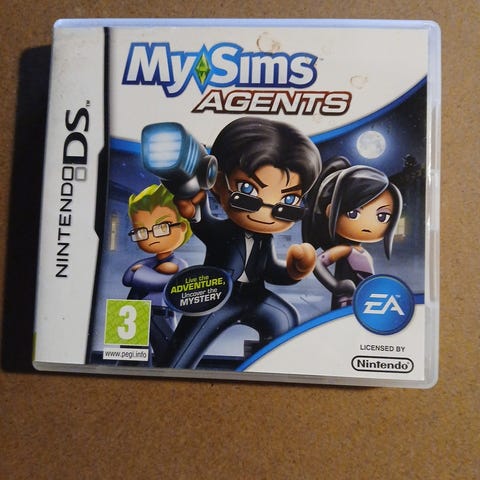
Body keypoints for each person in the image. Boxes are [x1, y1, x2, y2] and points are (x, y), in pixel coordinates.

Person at [168, 117, 322, 369]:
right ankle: (170, 369)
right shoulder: (224, 232)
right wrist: (194, 210)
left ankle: (266, 369)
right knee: (181, 353)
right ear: (218, 183)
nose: (267, 212)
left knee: (284, 318)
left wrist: (294, 271)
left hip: (255, 297)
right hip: (216, 294)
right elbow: (206, 225)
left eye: (288, 202)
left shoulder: (264, 239)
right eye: (248, 191)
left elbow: (270, 270)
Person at [302, 156, 402, 310]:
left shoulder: (358, 250)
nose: (368, 224)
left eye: (382, 216)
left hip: (363, 301)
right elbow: (317, 263)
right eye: (353, 213)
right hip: (347, 301)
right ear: (330, 211)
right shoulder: (345, 249)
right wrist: (336, 286)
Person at [123, 184, 192, 365]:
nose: (151, 237)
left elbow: (160, 282)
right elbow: (127, 278)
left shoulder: (179, 264)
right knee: (129, 358)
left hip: (159, 314)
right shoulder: (149, 262)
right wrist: (142, 273)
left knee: (169, 357)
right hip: (130, 313)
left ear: (182, 227)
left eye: (162, 227)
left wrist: (140, 272)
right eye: (141, 231)